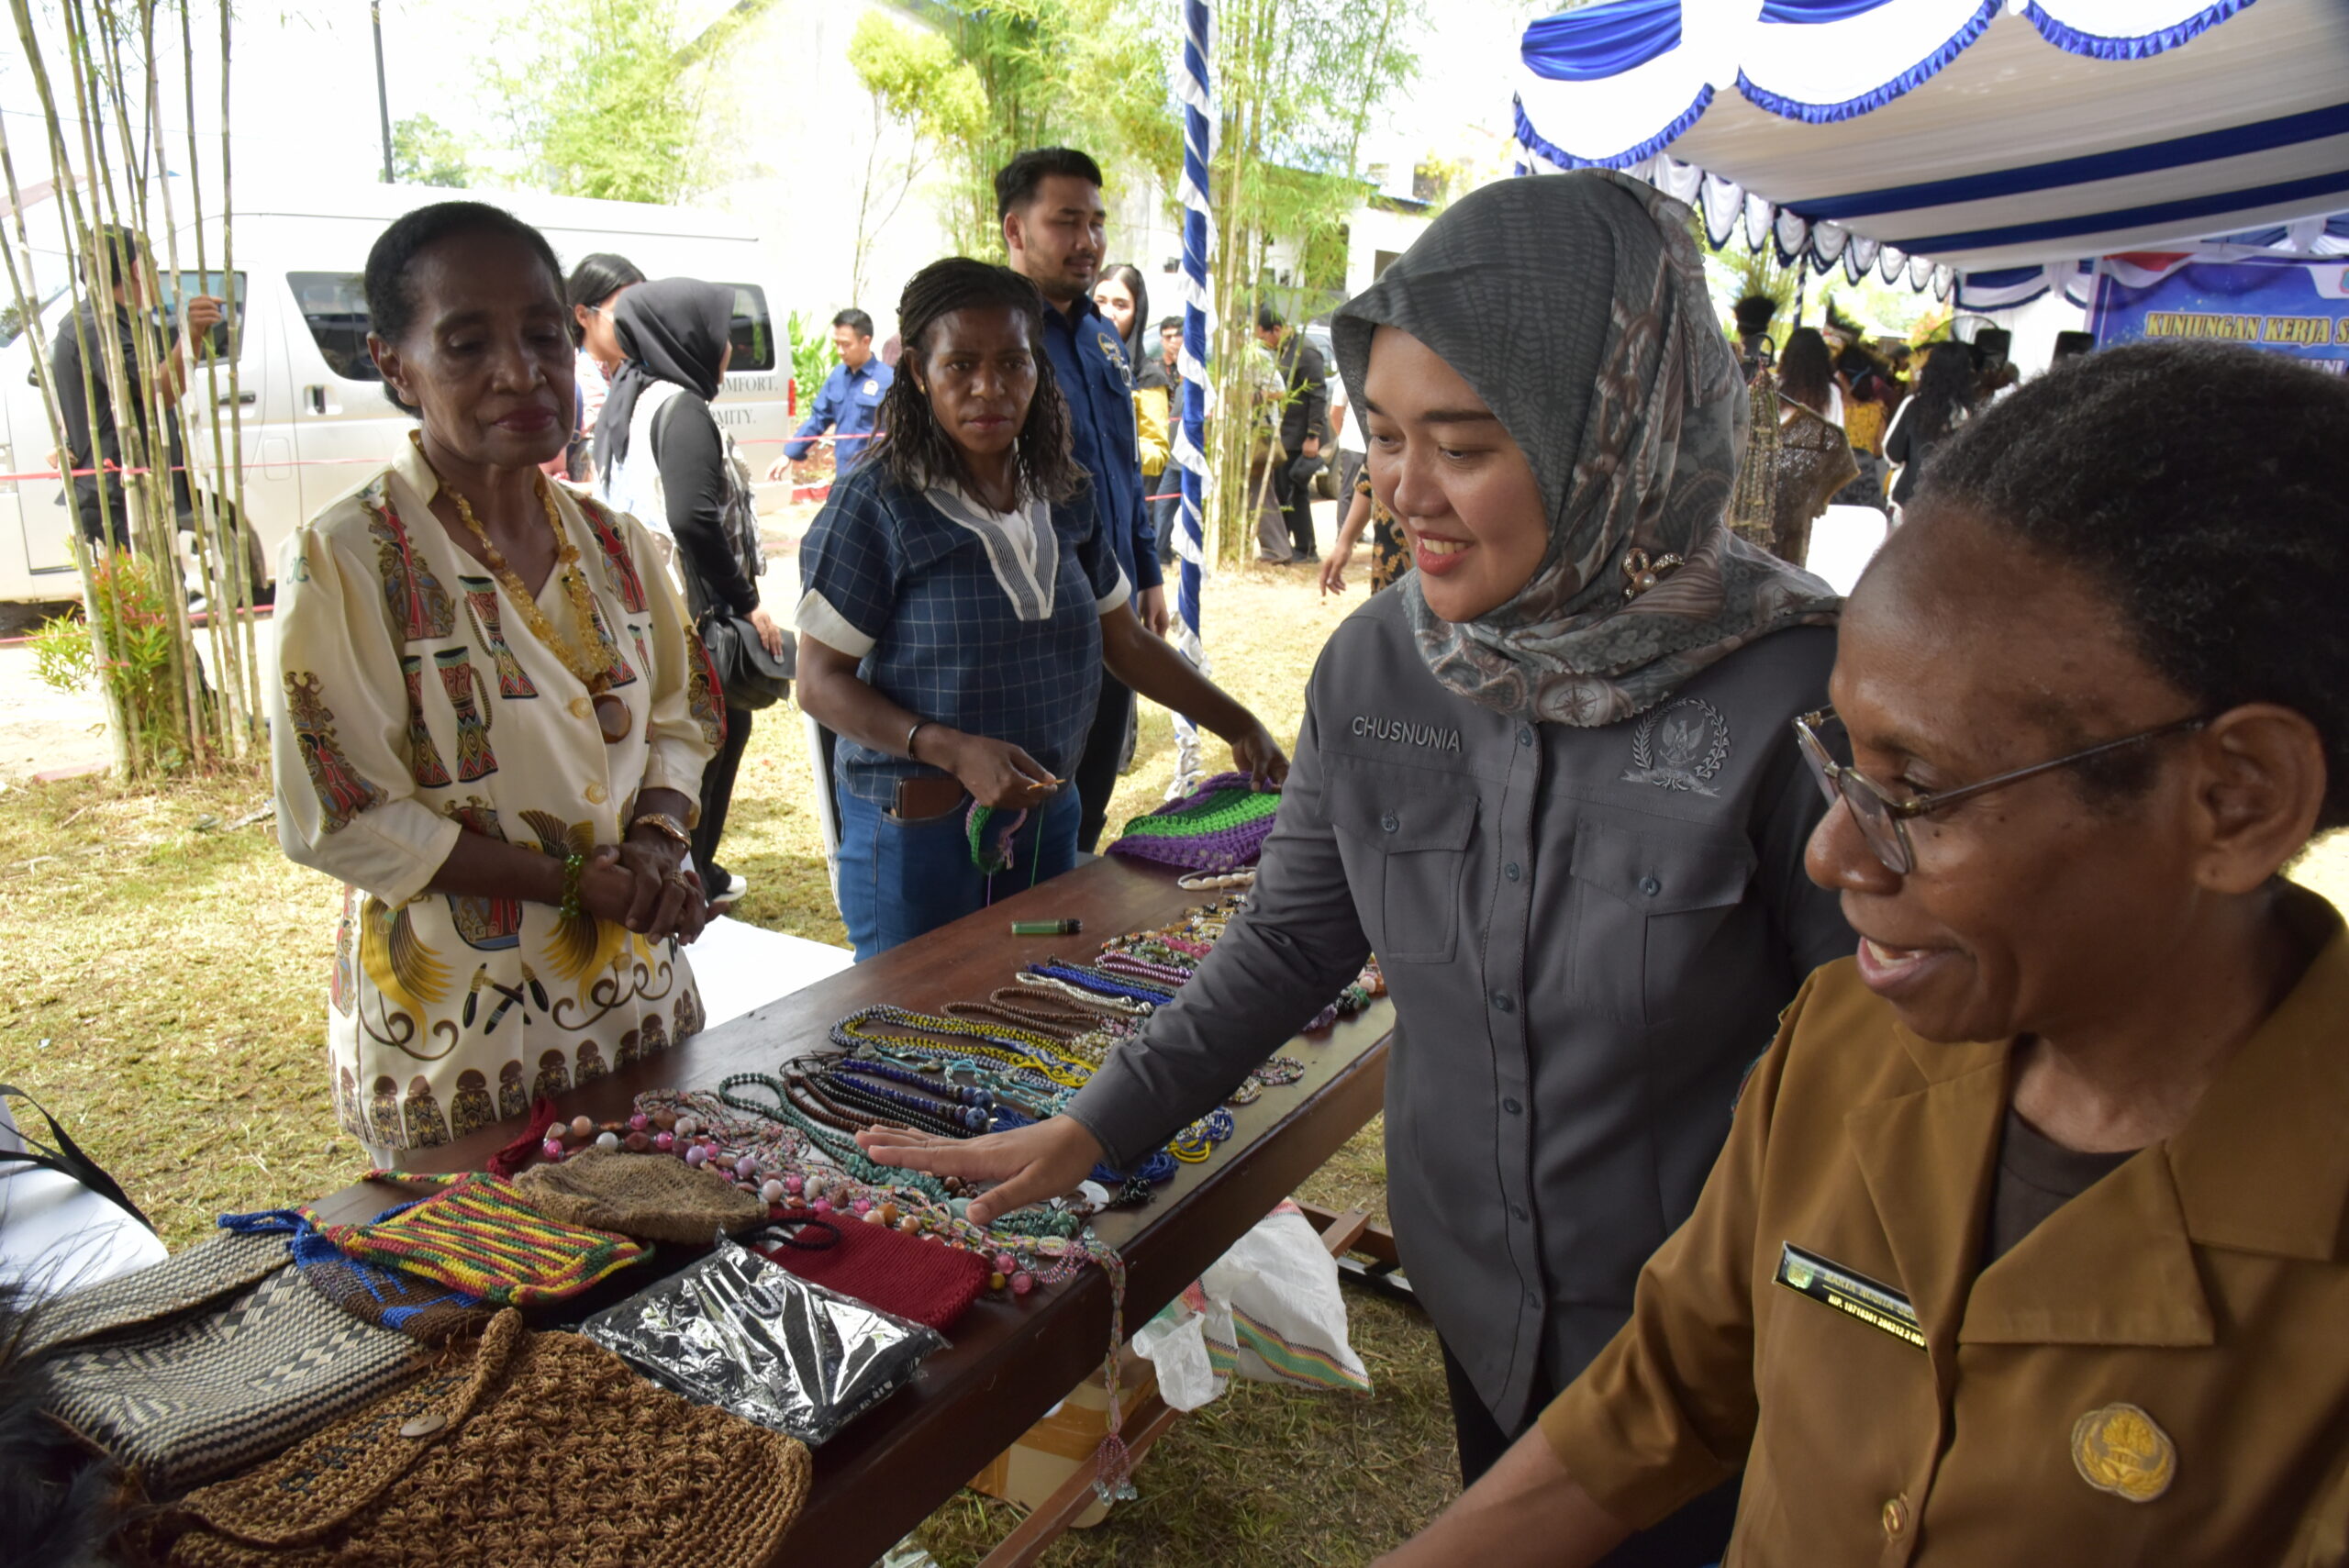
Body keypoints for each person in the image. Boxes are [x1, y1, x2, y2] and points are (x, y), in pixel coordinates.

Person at [861, 172, 1850, 1566]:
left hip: (1721, 1348)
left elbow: (1892, 1082)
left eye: (1464, 442)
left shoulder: (1801, 695)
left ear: (1618, 431)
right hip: (1479, 1296)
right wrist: (1089, 1128)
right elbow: (1286, 945)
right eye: (1383, 435)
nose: (1401, 492)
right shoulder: (1385, 664)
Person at [1373, 338, 2349, 1567]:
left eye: (1922, 788)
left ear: (2237, 799)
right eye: (1843, 760)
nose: (1836, 854)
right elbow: (1665, 1395)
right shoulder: (1844, 1045)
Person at [267, 201, 718, 1162]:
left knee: (668, 1261)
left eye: (543, 334)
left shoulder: (614, 542)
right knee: (513, 1297)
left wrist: (657, 839)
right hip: (464, 1041)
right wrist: (570, 880)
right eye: (466, 343)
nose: (520, 371)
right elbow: (338, 811)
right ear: (394, 362)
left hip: (635, 1016)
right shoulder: (347, 556)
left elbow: (682, 716)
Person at [793, 259, 1287, 958]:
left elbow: (1126, 641)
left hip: (1047, 816)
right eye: (960, 364)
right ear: (916, 374)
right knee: (913, 1033)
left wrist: (1238, 722)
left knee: (1040, 1003)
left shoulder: (1062, 488)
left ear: (1038, 369)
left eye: (1013, 363)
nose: (988, 387)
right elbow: (818, 682)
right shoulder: (878, 503)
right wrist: (952, 749)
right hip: (918, 835)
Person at [996, 147, 1167, 854]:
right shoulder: (994, 335)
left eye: (1096, 222)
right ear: (1015, 230)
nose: (1088, 241)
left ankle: (1062, 950)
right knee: (1029, 811)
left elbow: (1124, 465)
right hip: (1038, 611)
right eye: (1067, 221)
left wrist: (1149, 569)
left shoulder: (1103, 336)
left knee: (1090, 797)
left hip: (1118, 600)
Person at [595, 279, 786, 911]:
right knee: (712, 743)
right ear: (689, 337)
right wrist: (742, 600)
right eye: (719, 333)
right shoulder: (682, 409)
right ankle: (691, 875)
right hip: (689, 620)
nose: (728, 347)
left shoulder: (631, 396)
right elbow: (693, 519)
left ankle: (687, 872)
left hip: (643, 613)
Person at [48, 224, 226, 551]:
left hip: (144, 492)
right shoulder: (93, 326)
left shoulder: (128, 322)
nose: (156, 275)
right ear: (135, 269)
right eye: (154, 266)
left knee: (165, 595)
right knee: (142, 598)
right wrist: (191, 334)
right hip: (119, 499)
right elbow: (158, 391)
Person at [771, 308, 892, 481]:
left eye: (846, 344)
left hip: (879, 477)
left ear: (866, 341)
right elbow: (818, 419)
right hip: (844, 475)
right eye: (837, 344)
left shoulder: (888, 380)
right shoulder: (837, 378)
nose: (840, 351)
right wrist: (789, 454)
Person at [562, 251, 642, 484]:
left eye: (641, 311)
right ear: (583, 315)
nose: (635, 324)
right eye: (623, 313)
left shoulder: (646, 379)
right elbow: (549, 486)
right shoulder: (568, 383)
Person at [1260, 303, 1330, 563]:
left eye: (1265, 336)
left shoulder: (1306, 352)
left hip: (1300, 438)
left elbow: (1318, 396)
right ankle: (1287, 545)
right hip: (1284, 435)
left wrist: (1313, 435)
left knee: (1296, 493)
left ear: (1277, 329)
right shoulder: (1282, 349)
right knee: (1281, 491)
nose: (1265, 343)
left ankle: (1306, 548)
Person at [1884, 340, 1977, 513]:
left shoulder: (1913, 405)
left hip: (1909, 500)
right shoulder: (1972, 415)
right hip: (1950, 508)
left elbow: (1892, 454)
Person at [1152, 313, 1186, 566]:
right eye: (1168, 337)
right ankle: (1158, 551)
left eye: (1177, 335)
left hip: (1186, 448)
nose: (1173, 341)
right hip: (1158, 446)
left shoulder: (1192, 370)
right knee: (1157, 503)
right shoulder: (1153, 369)